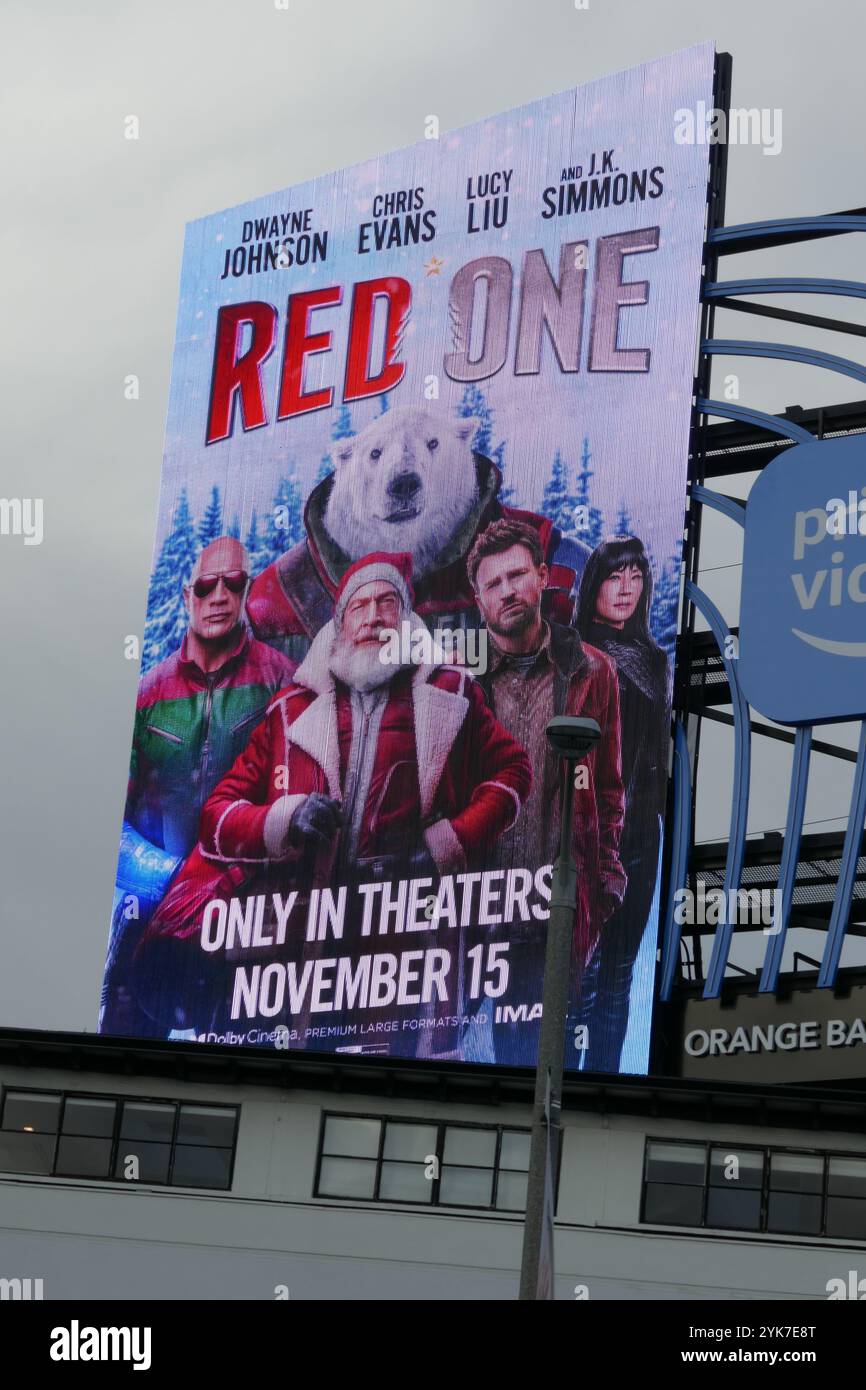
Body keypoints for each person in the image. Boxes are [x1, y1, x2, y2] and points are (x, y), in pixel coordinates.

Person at [138, 551, 532, 1051]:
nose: (372, 618)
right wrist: (285, 819)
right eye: (359, 606)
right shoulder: (290, 710)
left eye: (387, 603)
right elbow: (218, 817)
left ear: (407, 617)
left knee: (398, 1079)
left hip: (406, 937)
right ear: (340, 623)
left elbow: (513, 772)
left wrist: (448, 842)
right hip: (305, 940)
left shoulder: (450, 693)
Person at [104, 536, 296, 1034]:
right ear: (187, 594)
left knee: (242, 1063)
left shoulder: (282, 679)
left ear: (246, 588)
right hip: (154, 911)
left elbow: (302, 791)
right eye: (207, 585)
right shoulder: (147, 694)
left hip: (246, 909)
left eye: (233, 583)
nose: (220, 596)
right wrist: (166, 877)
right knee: (121, 1061)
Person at [468, 519, 626, 1065]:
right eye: (493, 583)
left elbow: (607, 790)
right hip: (469, 912)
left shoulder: (592, 672)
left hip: (549, 907)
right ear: (478, 599)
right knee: (436, 1056)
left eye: (517, 575)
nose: (508, 590)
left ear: (541, 577)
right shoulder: (457, 685)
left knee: (528, 1065)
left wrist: (602, 883)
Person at [573, 535, 672, 1073]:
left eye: (636, 577)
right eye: (615, 577)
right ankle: (561, 1086)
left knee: (617, 979)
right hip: (586, 836)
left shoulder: (653, 660)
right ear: (594, 584)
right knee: (579, 981)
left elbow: (658, 756)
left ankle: (603, 1089)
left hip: (641, 837)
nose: (626, 589)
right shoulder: (570, 651)